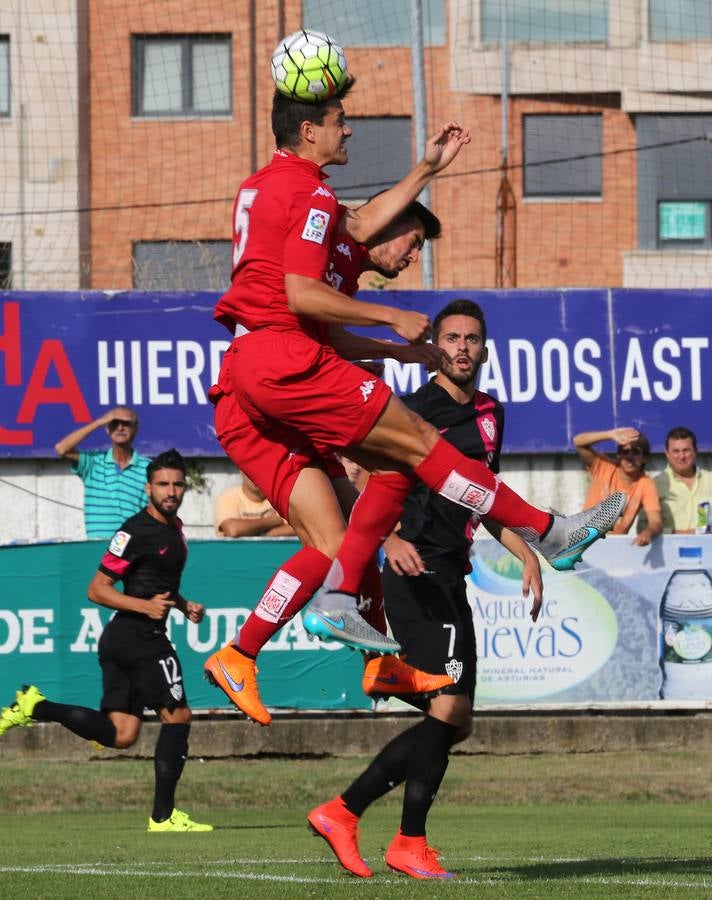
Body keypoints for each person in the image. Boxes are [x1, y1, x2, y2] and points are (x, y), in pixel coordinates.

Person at [205, 73, 624, 721]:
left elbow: (361, 227)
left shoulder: (310, 210)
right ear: (311, 128)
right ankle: (549, 531)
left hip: (251, 380)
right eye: (414, 241)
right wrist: (390, 319)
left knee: (345, 524)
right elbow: (301, 295)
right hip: (275, 363)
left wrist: (427, 166)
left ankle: (277, 653)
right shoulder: (315, 207)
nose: (412, 256)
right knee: (417, 449)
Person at [307, 299, 543, 879]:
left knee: (455, 720)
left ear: (485, 349)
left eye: (471, 339)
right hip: (414, 568)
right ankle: (402, 839)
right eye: (452, 338)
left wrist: (525, 553)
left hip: (449, 570)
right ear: (435, 346)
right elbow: (362, 480)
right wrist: (387, 536)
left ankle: (347, 810)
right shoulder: (411, 410)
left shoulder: (491, 413)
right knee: (450, 704)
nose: (462, 347)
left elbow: (481, 496)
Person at [205, 202, 456, 724]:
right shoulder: (321, 246)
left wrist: (394, 353)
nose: (413, 257)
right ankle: (239, 653)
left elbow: (328, 339)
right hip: (261, 411)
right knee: (334, 545)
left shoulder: (339, 268)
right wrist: (427, 166)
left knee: (361, 535)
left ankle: (380, 661)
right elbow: (301, 312)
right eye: (412, 242)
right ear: (387, 226)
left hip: (288, 411)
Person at [0, 449, 212, 833]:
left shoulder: (173, 527)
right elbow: (97, 589)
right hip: (138, 637)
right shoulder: (134, 531)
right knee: (177, 716)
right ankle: (163, 818)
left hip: (125, 637)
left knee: (123, 734)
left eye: (177, 484)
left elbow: (155, 585)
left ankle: (37, 706)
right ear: (148, 487)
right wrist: (146, 608)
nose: (171, 491)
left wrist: (181, 605)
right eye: (163, 484)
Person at [55, 406, 150, 538]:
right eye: (114, 423)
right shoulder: (94, 462)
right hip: (97, 548)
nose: (120, 428)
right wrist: (98, 422)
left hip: (133, 548)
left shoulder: (149, 467)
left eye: (126, 423)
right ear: (107, 428)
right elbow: (61, 449)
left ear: (135, 429)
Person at [573, 427, 662, 545]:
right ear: (619, 455)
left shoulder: (645, 483)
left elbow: (656, 522)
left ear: (644, 457)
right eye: (625, 451)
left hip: (614, 546)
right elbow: (578, 442)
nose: (629, 457)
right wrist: (609, 435)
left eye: (635, 451)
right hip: (583, 541)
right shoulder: (604, 466)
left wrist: (648, 532)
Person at [651, 426, 712, 533]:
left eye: (686, 450)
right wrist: (679, 535)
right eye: (676, 451)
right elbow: (643, 527)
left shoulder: (710, 480)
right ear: (667, 454)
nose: (681, 456)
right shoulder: (654, 485)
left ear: (695, 452)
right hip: (670, 548)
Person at [214, 474, 295, 537]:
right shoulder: (229, 497)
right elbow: (233, 530)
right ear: (241, 472)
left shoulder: (280, 497)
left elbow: (298, 528)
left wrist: (256, 533)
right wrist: (271, 521)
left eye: (260, 471)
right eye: (250, 471)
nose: (255, 476)